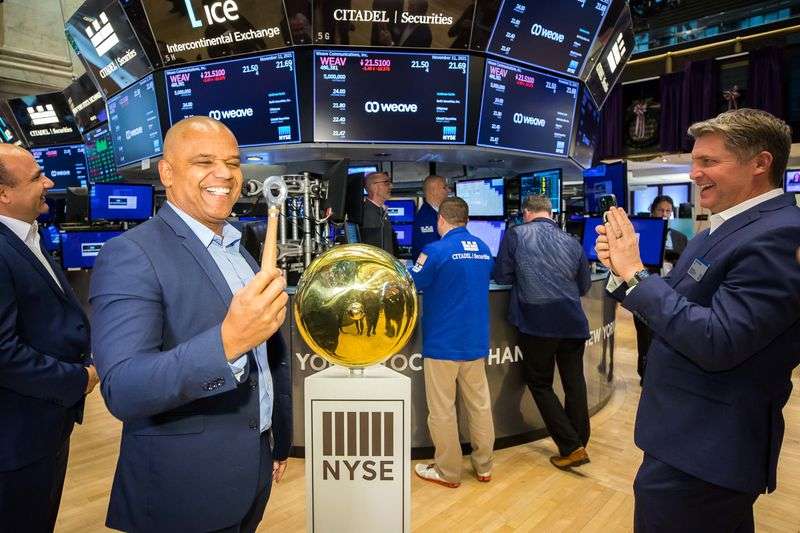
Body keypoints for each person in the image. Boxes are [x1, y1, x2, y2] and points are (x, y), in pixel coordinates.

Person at [595, 108, 800, 532]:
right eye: (694, 161)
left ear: (760, 163)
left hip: (710, 449)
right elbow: (675, 300)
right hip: (683, 437)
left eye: (708, 162)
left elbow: (718, 341)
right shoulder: (717, 231)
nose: (694, 173)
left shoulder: (781, 233)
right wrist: (622, 273)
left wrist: (635, 273)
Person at [90, 117, 291, 532]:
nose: (224, 174)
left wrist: (276, 438)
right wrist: (227, 342)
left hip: (251, 467)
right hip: (183, 487)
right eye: (204, 161)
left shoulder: (239, 248)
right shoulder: (130, 254)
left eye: (233, 163)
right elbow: (124, 388)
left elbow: (267, 357)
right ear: (167, 173)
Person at [0, 144, 99, 532]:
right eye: (37, 177)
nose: (49, 182)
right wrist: (79, 379)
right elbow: (3, 353)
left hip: (41, 428)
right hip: (14, 442)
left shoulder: (27, 238)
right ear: (4, 193)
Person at [493, 195, 592, 470]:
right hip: (573, 322)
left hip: (538, 322)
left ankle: (572, 447)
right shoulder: (571, 241)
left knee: (539, 383)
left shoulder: (516, 235)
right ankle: (580, 441)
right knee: (575, 382)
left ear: (527, 213)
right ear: (550, 213)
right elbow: (584, 285)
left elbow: (502, 276)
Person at [409, 197, 495, 488]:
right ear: (466, 220)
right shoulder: (484, 249)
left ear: (441, 221)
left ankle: (448, 472)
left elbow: (413, 282)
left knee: (443, 410)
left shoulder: (435, 250)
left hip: (443, 343)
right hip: (475, 342)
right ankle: (484, 467)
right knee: (480, 405)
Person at [632, 195, 688, 384]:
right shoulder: (642, 236)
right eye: (660, 210)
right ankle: (645, 374)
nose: (664, 214)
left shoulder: (680, 238)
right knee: (646, 337)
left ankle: (664, 374)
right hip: (647, 292)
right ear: (652, 211)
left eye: (668, 211)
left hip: (672, 294)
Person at [411, 174, 449, 261]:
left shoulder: (438, 213)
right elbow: (430, 251)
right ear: (433, 191)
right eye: (444, 187)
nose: (448, 190)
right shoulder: (425, 218)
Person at [360, 171, 396, 254]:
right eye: (386, 183)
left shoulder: (381, 211)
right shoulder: (367, 214)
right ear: (374, 187)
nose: (391, 186)